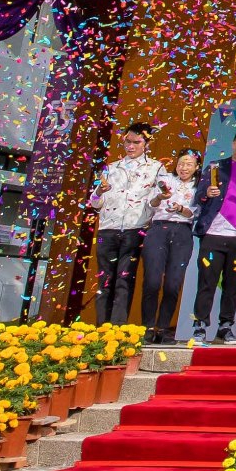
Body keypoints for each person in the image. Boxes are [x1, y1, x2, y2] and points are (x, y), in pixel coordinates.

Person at [189, 126, 236, 344]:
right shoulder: (216, 168)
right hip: (214, 233)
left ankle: (225, 327)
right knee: (207, 282)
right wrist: (207, 193)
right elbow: (199, 196)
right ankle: (200, 326)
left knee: (233, 285)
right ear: (234, 144)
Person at [86, 124, 164, 327]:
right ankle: (100, 327)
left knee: (124, 279)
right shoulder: (111, 168)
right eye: (127, 141)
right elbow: (95, 203)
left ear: (147, 143)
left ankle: (118, 328)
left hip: (134, 229)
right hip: (107, 229)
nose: (130, 146)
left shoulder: (155, 168)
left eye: (136, 142)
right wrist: (100, 192)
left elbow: (157, 200)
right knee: (105, 280)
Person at [139, 143, 201, 342]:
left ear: (196, 167)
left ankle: (163, 329)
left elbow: (196, 212)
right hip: (158, 229)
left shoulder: (199, 187)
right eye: (181, 163)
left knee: (173, 283)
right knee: (152, 281)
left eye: (189, 164)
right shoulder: (165, 180)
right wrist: (160, 196)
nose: (184, 168)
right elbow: (151, 204)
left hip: (182, 232)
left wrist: (181, 208)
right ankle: (147, 328)